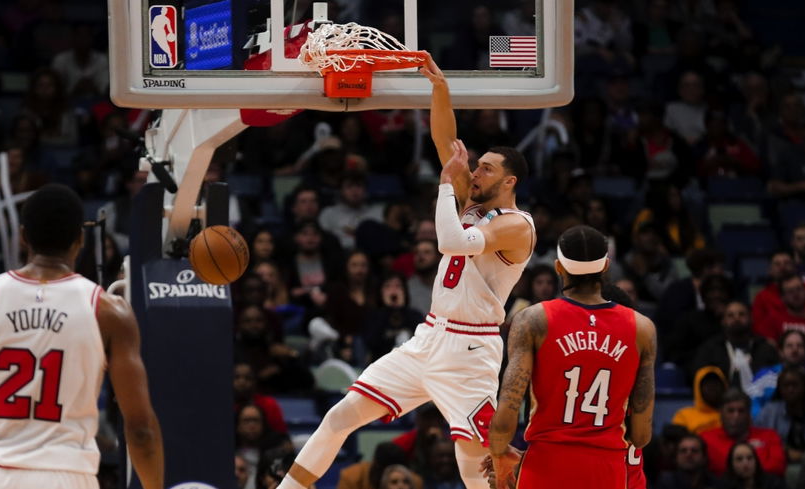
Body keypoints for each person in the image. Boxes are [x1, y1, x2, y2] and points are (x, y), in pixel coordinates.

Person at [272, 55, 535, 489]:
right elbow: (446, 143)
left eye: (487, 168)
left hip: (470, 352)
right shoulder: (473, 201)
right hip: (429, 336)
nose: (476, 171)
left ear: (509, 182)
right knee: (340, 417)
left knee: (474, 461)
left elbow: (449, 242)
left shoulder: (516, 225)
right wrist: (439, 89)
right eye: (478, 164)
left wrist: (444, 186)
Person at [0, 184, 164, 489]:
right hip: (68, 476)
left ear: (23, 236)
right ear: (80, 239)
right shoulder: (109, 312)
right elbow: (141, 429)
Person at [488, 225, 657, 489]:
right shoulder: (643, 329)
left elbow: (507, 411)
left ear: (558, 267)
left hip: (546, 464)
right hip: (607, 469)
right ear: (605, 268)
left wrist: (500, 456)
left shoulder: (533, 319)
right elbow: (642, 435)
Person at [700, 389, 786, 477]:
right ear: (721, 414)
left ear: (749, 414)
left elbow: (777, 467)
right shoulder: (705, 438)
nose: (736, 416)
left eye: (741, 411)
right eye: (730, 411)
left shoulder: (769, 436)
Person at [673, 367, 729, 434]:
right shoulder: (683, 416)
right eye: (707, 384)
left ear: (724, 387)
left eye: (716, 383)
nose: (712, 388)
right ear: (698, 389)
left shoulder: (734, 413)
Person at [720, 442, 786, 489]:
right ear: (731, 464)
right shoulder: (722, 485)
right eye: (739, 459)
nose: (745, 463)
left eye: (750, 458)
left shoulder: (773, 483)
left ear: (756, 461)